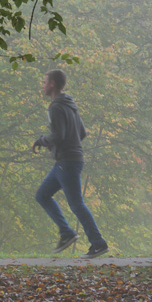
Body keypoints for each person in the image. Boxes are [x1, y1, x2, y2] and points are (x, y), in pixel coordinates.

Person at [33, 69, 109, 259]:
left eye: (44, 82)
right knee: (42, 195)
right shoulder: (70, 104)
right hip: (67, 161)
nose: (42, 86)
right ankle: (67, 233)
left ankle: (98, 243)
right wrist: (58, 144)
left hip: (67, 162)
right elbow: (81, 133)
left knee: (76, 204)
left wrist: (42, 140)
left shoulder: (55, 106)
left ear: (52, 84)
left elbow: (59, 135)